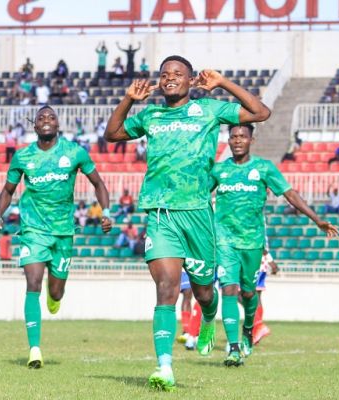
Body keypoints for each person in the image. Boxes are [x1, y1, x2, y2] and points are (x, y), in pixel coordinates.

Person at [104, 55, 272, 390]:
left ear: (191, 79)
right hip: (161, 213)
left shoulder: (209, 109)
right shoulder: (150, 115)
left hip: (197, 215)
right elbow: (112, 134)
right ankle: (164, 366)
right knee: (165, 288)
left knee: (205, 293)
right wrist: (128, 100)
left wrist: (222, 82)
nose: (169, 79)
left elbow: (260, 113)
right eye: (164, 74)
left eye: (177, 74)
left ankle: (208, 317)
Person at [0, 105, 113, 369]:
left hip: (63, 233)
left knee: (56, 291)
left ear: (58, 125)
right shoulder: (23, 157)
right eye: (41, 118)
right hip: (33, 231)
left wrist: (107, 211)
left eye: (51, 117)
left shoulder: (74, 152)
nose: (46, 120)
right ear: (34, 126)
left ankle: (54, 295)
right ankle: (34, 349)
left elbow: (98, 184)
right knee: (32, 283)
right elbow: (8, 190)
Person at [210, 124, 339, 367]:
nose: (237, 141)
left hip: (252, 242)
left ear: (252, 140)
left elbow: (290, 194)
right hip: (224, 241)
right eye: (233, 137)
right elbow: (199, 197)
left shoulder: (264, 168)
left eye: (242, 137)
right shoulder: (218, 170)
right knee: (228, 289)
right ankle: (234, 349)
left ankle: (249, 328)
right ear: (228, 140)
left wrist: (317, 219)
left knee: (248, 294)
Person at [252, 248, 279, 345]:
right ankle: (256, 331)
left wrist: (271, 262)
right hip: (261, 264)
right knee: (257, 298)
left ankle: (258, 326)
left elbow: (260, 244)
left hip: (253, 263)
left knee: (240, 295)